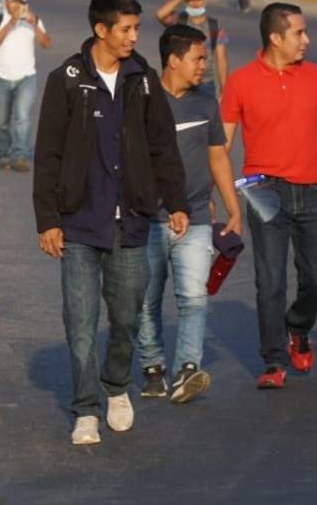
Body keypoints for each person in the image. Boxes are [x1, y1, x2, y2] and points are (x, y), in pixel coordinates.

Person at [32, 0, 188, 447]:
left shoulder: (143, 79)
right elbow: (48, 154)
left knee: (124, 317)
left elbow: (163, 146)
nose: (134, 37)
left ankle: (117, 386)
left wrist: (176, 201)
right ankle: (85, 408)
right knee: (79, 324)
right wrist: (47, 220)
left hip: (131, 223)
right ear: (101, 30)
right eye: (126, 29)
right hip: (78, 222)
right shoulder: (67, 79)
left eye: (137, 28)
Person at [221, 3, 317, 390]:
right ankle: (272, 360)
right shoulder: (240, 81)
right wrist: (219, 195)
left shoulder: (316, 76)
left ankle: (297, 328)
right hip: (262, 190)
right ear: (275, 38)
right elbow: (223, 142)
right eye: (299, 33)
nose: (307, 40)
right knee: (270, 280)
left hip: (313, 187)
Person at [136, 25, 241, 404]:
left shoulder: (206, 102)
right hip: (147, 218)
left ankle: (186, 369)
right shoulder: (142, 101)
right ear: (173, 60)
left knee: (194, 298)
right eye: (198, 59)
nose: (203, 66)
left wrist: (232, 206)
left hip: (196, 215)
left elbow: (217, 155)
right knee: (146, 300)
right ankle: (152, 368)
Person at [0, 0, 50, 172]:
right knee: (1, 121)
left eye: (21, 2)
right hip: (1, 77)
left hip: (26, 77)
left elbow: (46, 43)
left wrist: (35, 25)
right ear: (6, 2)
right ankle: (3, 154)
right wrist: (11, 23)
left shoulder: (33, 20)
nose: (17, 5)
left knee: (23, 118)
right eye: (14, 1)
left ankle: (20, 155)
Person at [154, 0, 228, 95]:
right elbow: (160, 15)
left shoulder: (215, 26)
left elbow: (221, 60)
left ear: (206, 0)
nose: (195, 3)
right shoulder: (179, 20)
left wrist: (225, 92)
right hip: (181, 79)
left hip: (206, 82)